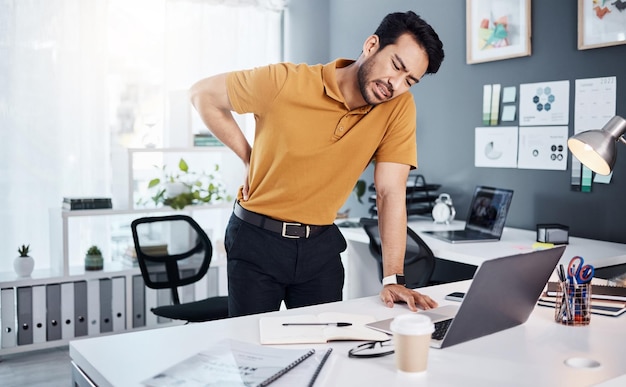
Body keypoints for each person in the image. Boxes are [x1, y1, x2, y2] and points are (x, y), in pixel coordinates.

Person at [189, 10, 445, 317]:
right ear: (372, 45)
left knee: (325, 352)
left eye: (409, 81)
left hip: (320, 247)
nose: (395, 84)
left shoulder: (398, 107)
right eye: (396, 65)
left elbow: (390, 190)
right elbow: (202, 95)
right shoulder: (285, 81)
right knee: (254, 354)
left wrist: (393, 278)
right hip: (256, 238)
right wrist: (248, 157)